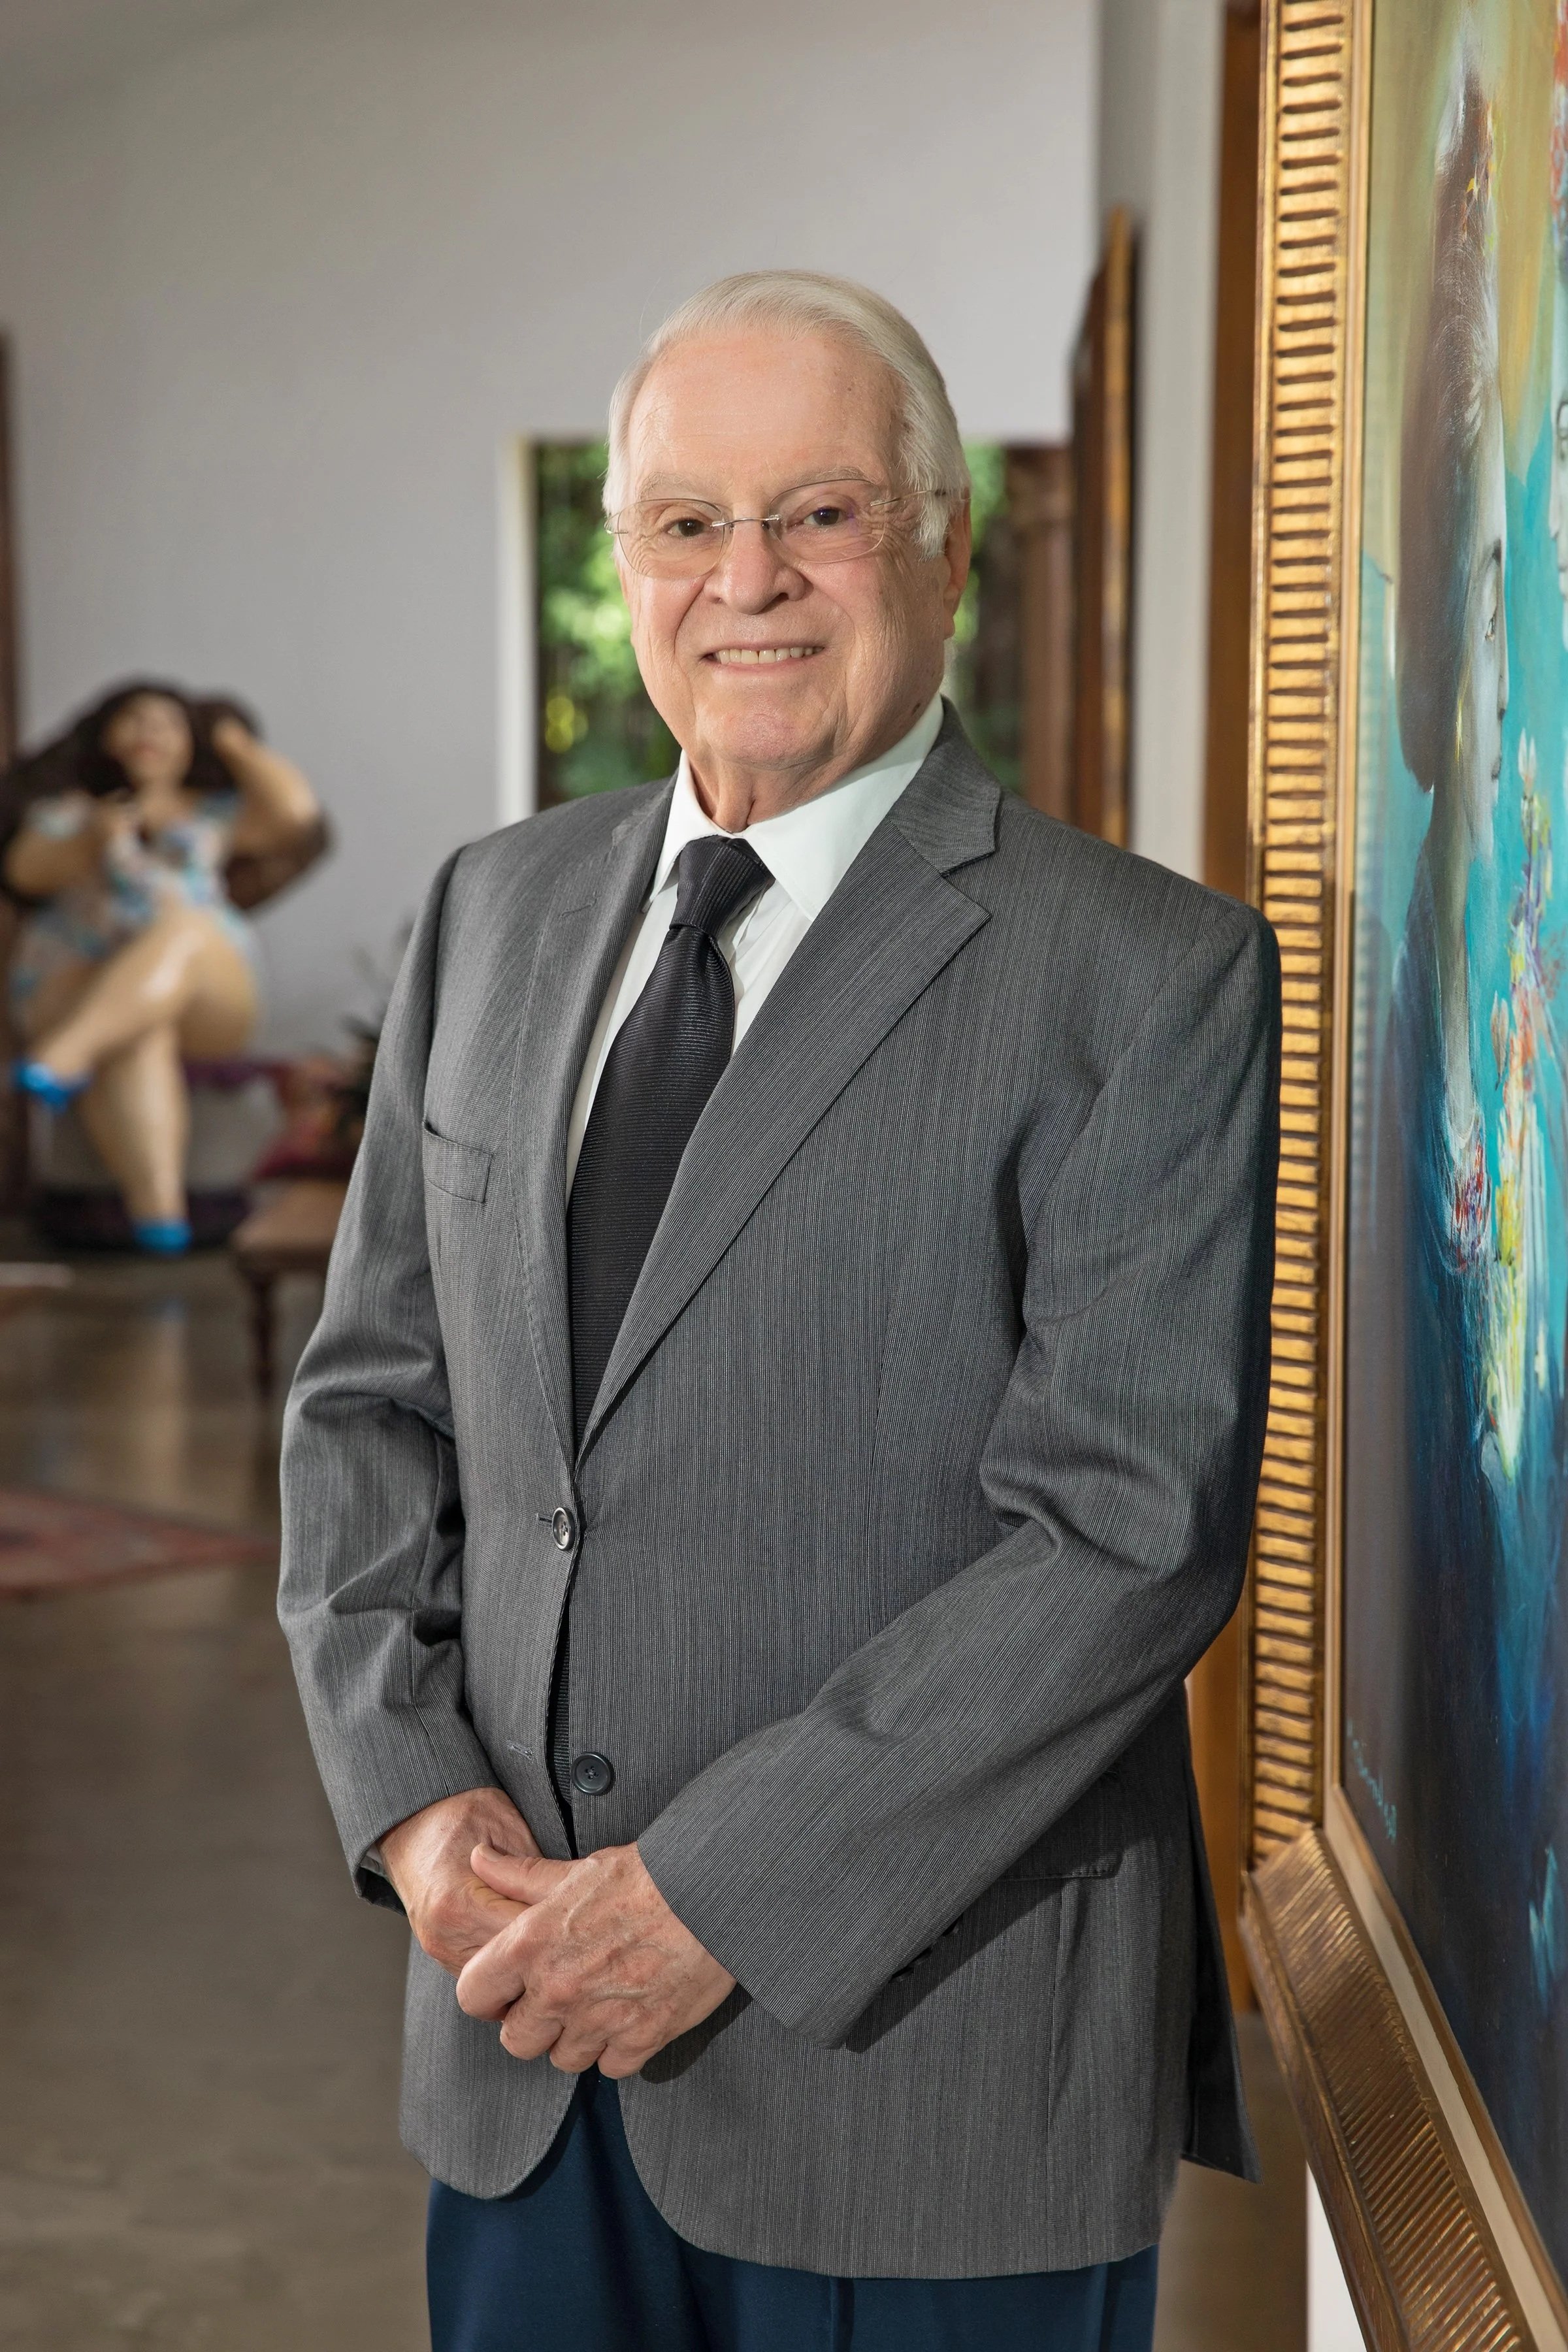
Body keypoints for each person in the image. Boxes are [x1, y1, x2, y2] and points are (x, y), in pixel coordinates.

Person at [279, 270, 1279, 2352]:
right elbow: (369, 1409)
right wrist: (410, 1801)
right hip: (522, 2047)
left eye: (819, 513)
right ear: (622, 558)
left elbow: (1121, 1534)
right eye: (683, 524)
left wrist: (708, 1898)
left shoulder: (1140, 976)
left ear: (941, 546)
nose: (747, 580)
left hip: (920, 2072)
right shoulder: (490, 911)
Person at [4, 681, 322, 1252]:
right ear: (103, 738)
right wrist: (95, 839)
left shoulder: (217, 815)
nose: (150, 733)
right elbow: (27, 872)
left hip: (210, 988)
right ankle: (160, 1217)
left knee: (180, 929)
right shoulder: (68, 815)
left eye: (168, 723)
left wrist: (228, 735)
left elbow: (296, 812)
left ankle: (62, 1057)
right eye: (133, 719)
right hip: (78, 978)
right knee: (138, 1030)